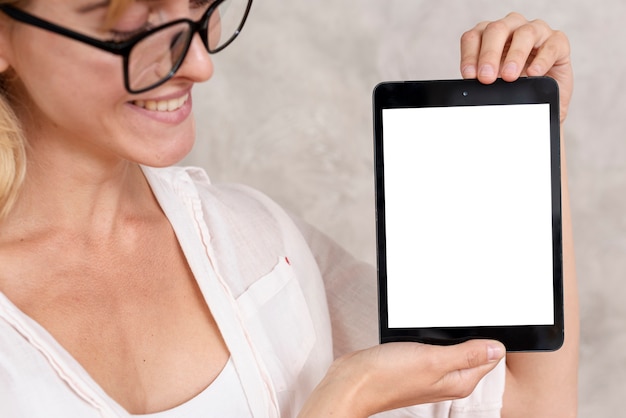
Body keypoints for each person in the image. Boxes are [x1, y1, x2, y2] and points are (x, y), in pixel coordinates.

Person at [0, 1, 578, 417]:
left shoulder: (258, 249)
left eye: (201, 11)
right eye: (133, 28)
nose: (199, 64)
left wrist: (530, 137)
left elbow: (521, 405)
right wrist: (338, 404)